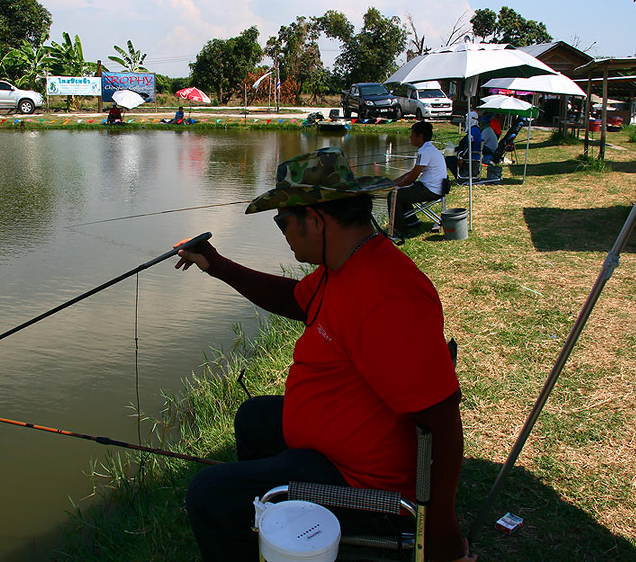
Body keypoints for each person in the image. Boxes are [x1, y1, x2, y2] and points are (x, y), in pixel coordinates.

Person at [174, 146, 474, 562]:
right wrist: (218, 264)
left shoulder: (388, 295)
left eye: (282, 220)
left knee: (209, 495)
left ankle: (286, 529)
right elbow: (295, 300)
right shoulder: (344, 265)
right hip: (332, 451)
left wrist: (440, 528)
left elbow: (441, 418)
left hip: (365, 489)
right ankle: (280, 532)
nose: (280, 230)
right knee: (255, 417)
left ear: (314, 221)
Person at [387, 121, 448, 237]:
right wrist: (395, 182)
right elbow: (412, 173)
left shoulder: (425, 151)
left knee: (393, 195)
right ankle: (412, 222)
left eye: (412, 134)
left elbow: (411, 178)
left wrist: (392, 185)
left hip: (431, 190)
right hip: (434, 187)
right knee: (400, 190)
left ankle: (399, 232)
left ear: (420, 136)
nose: (410, 137)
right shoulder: (428, 149)